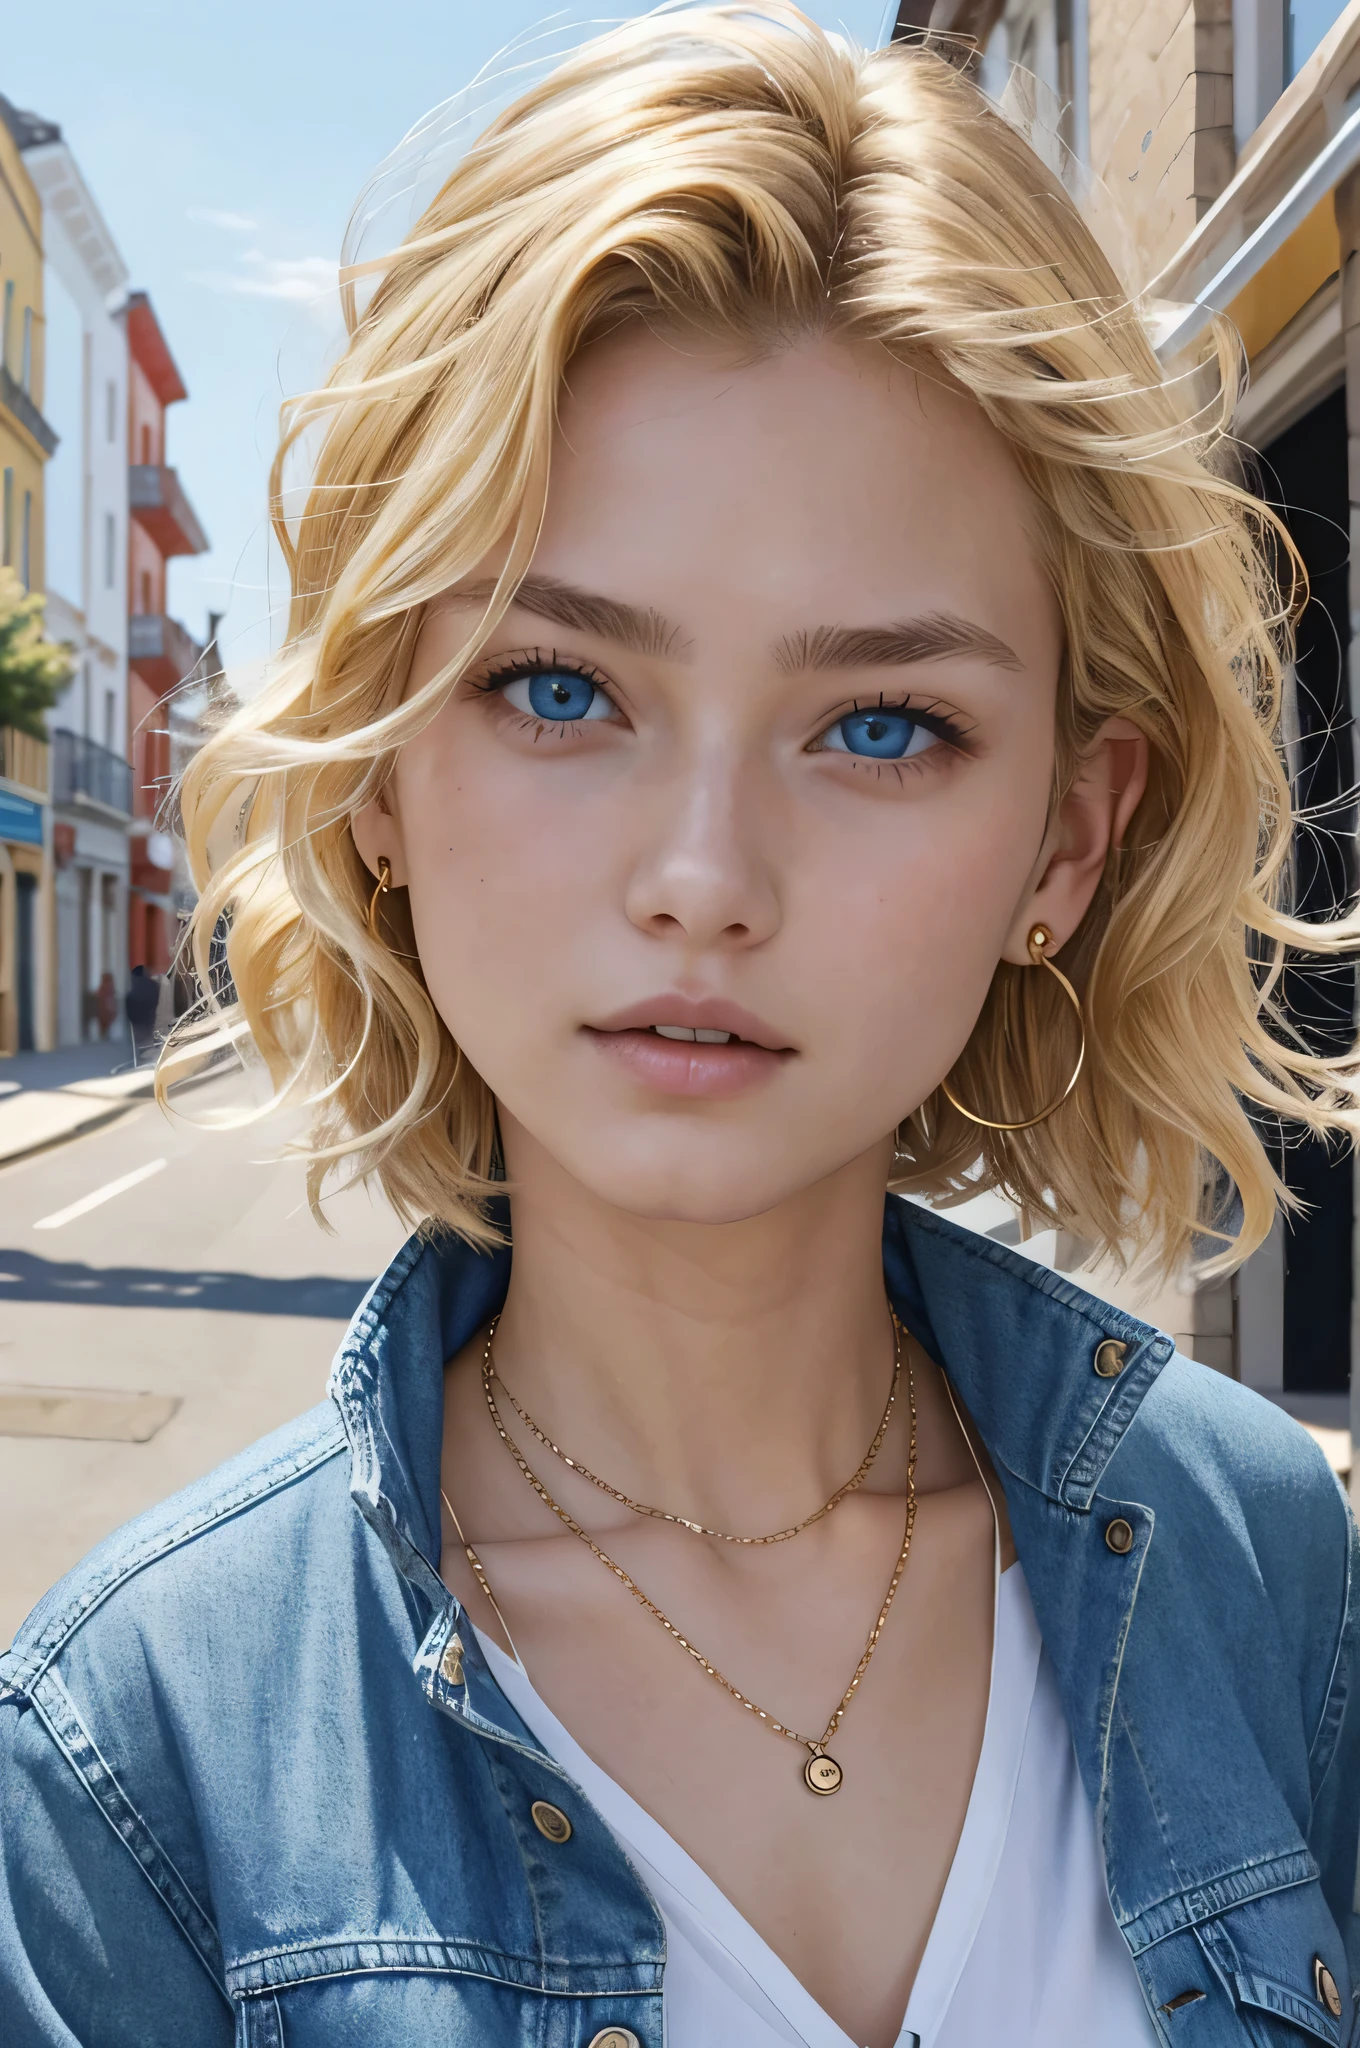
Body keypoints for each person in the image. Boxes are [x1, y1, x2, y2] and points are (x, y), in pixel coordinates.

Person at [2, 10, 1357, 2044]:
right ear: (379, 762)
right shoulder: (131, 1760)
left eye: (880, 724)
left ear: (1065, 841)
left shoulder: (1256, 1558)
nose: (704, 875)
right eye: (559, 689)